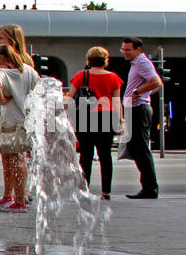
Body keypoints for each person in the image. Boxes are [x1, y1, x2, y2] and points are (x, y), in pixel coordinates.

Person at [67, 46, 124, 199]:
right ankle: (106, 192)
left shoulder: (81, 75)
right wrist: (120, 120)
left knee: (85, 155)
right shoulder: (113, 77)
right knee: (105, 156)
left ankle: (84, 190)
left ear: (89, 60)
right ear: (105, 60)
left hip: (85, 117)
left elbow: (70, 97)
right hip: (107, 116)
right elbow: (117, 101)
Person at [0, 43, 39, 212]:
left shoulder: (2, 71)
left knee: (12, 160)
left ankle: (17, 200)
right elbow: (38, 91)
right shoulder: (28, 70)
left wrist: (2, 99)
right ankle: (19, 197)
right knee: (20, 157)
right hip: (26, 120)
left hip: (10, 120)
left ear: (1, 58)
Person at [120, 37, 162, 199]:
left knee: (141, 149)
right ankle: (148, 187)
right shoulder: (138, 63)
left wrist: (138, 93)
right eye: (123, 49)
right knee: (137, 148)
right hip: (137, 108)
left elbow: (156, 81)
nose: (125, 52)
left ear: (138, 49)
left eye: (128, 49)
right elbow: (158, 84)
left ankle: (150, 188)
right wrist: (145, 93)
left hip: (139, 109)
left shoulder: (142, 62)